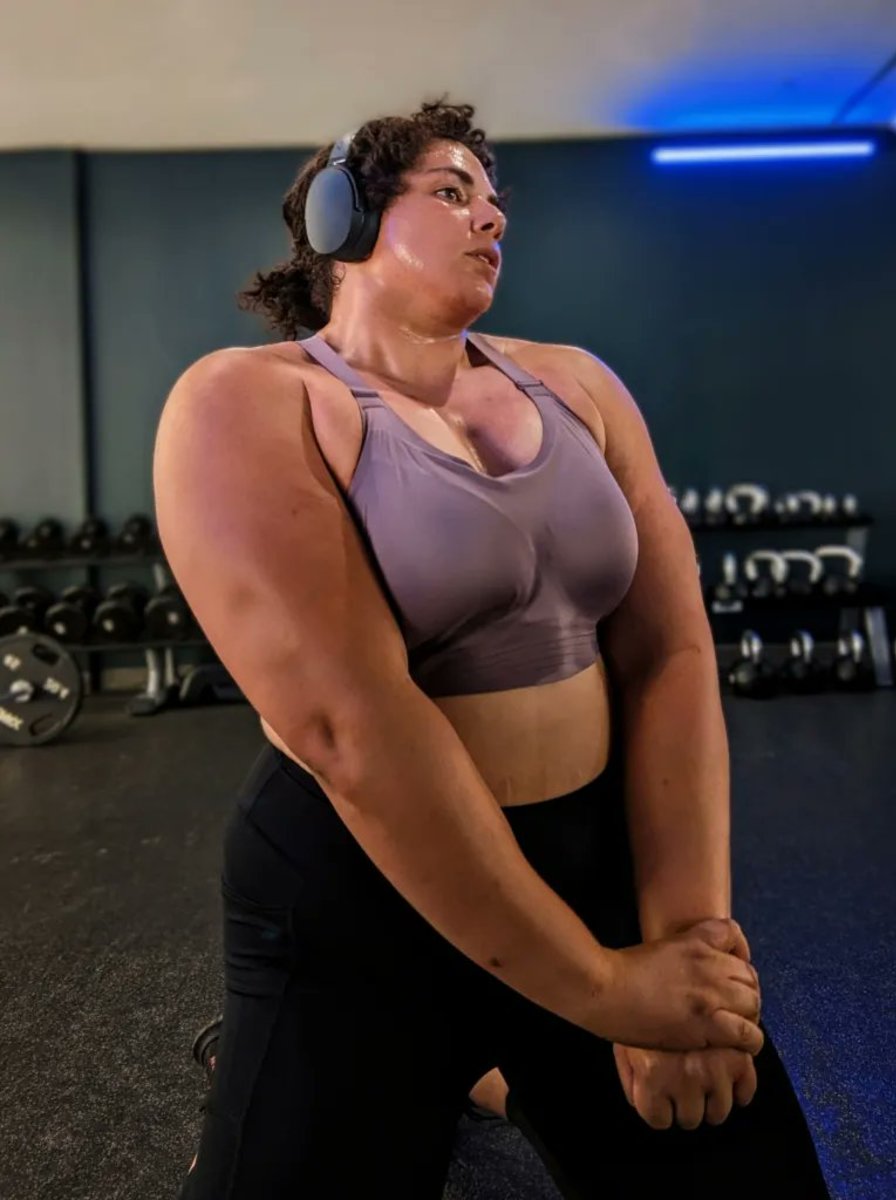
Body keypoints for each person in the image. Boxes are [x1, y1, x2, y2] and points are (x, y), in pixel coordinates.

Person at [154, 99, 831, 1199]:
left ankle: (492, 1068)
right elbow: (348, 725)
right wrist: (612, 998)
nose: (493, 218)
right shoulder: (246, 401)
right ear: (344, 219)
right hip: (361, 889)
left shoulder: (576, 384)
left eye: (497, 199)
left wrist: (685, 959)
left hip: (592, 861)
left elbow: (671, 655)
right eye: (453, 190)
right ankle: (423, 1060)